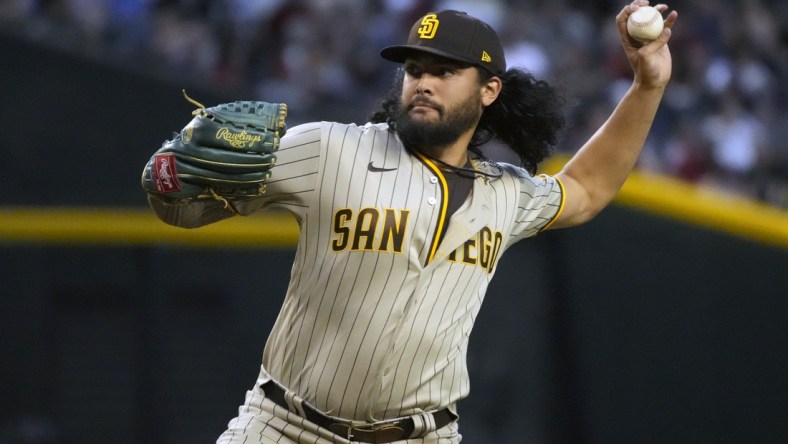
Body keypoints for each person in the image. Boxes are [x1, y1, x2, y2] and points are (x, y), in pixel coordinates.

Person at [144, 2, 677, 443]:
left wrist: (647, 86)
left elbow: (585, 190)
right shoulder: (330, 149)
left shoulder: (506, 192)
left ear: (488, 90)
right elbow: (185, 209)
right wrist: (171, 181)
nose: (423, 82)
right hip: (286, 426)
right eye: (415, 69)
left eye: (444, 71)